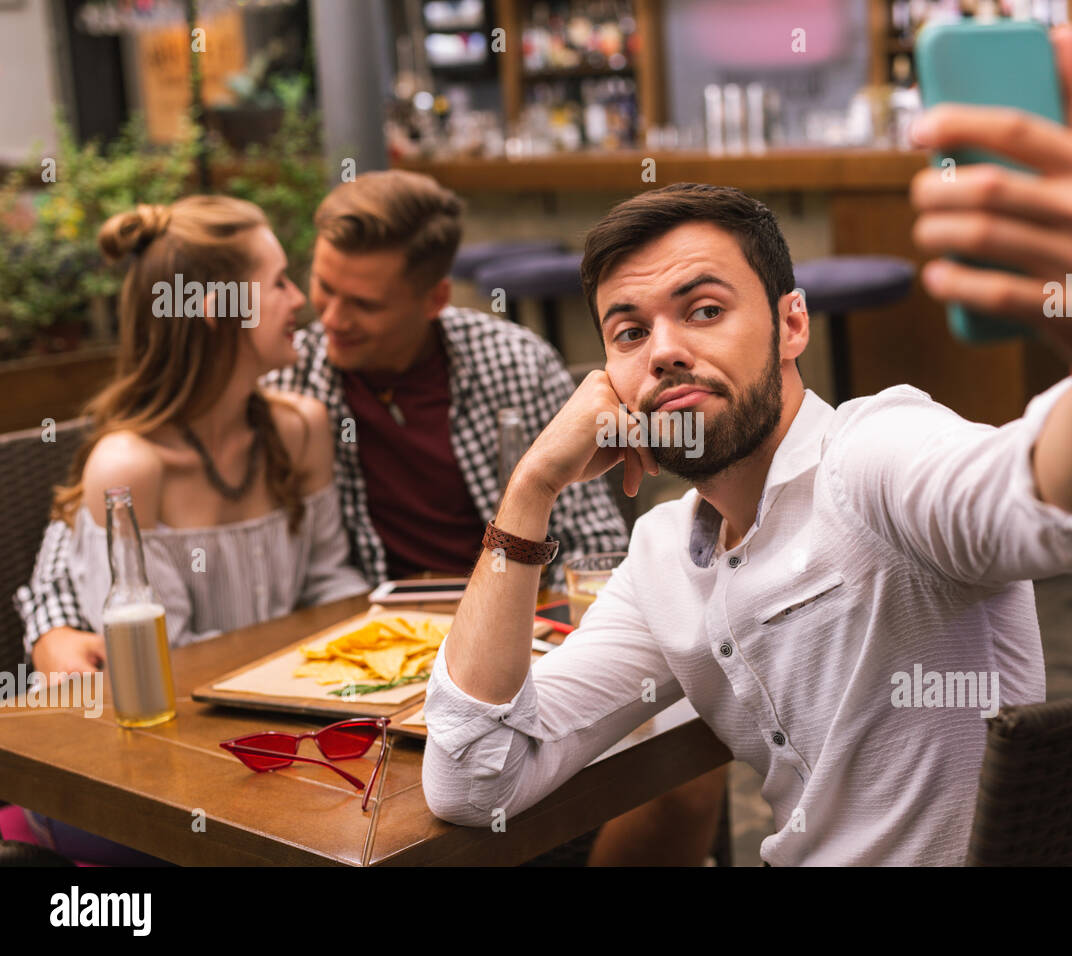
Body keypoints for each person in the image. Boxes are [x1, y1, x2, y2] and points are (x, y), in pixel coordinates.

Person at [419, 25, 1072, 865]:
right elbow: (475, 781)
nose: (666, 348)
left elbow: (1053, 502)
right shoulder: (659, 562)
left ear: (792, 324)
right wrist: (531, 486)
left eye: (706, 309)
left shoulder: (873, 459)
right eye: (629, 330)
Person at [16, 171, 726, 865]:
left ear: (433, 299)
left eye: (361, 303)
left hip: (510, 639)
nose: (326, 317)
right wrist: (49, 624)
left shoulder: (501, 363)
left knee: (686, 772)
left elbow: (594, 545)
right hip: (364, 679)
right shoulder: (290, 376)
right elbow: (87, 531)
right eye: (314, 286)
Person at [19, 194, 370, 863]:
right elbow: (167, 676)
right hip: (138, 779)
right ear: (218, 309)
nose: (301, 300)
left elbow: (333, 586)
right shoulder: (129, 467)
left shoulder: (301, 427)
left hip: (264, 748)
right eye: (278, 284)